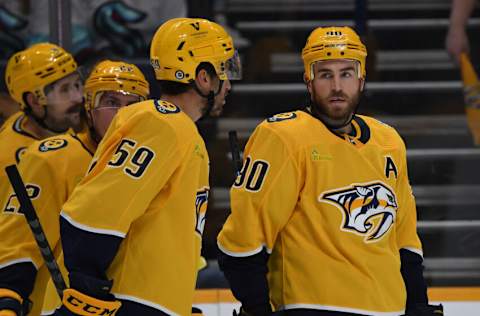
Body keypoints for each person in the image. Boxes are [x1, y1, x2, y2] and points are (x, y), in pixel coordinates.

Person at [217, 26, 443, 316]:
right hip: (311, 307)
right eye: (325, 74)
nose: (337, 86)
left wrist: (418, 305)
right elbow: (243, 241)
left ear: (361, 79)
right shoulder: (283, 136)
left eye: (346, 73)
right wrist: (257, 307)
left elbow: (405, 241)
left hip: (389, 309)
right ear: (308, 81)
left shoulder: (389, 141)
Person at [54, 17, 241, 316]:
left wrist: (176, 303)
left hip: (152, 303)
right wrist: (87, 290)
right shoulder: (162, 124)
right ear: (203, 77)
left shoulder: (180, 130)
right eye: (223, 72)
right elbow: (95, 209)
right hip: (129, 301)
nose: (228, 84)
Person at [0, 60, 149, 316]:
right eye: (111, 102)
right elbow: (17, 241)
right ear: (89, 108)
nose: (123, 114)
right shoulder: (52, 158)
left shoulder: (149, 161)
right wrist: (7, 298)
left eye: (132, 105)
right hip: (57, 308)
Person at [0, 42, 82, 316]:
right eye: (64, 90)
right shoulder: (10, 157)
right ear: (34, 100)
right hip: (30, 295)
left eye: (76, 85)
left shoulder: (72, 129)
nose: (78, 98)